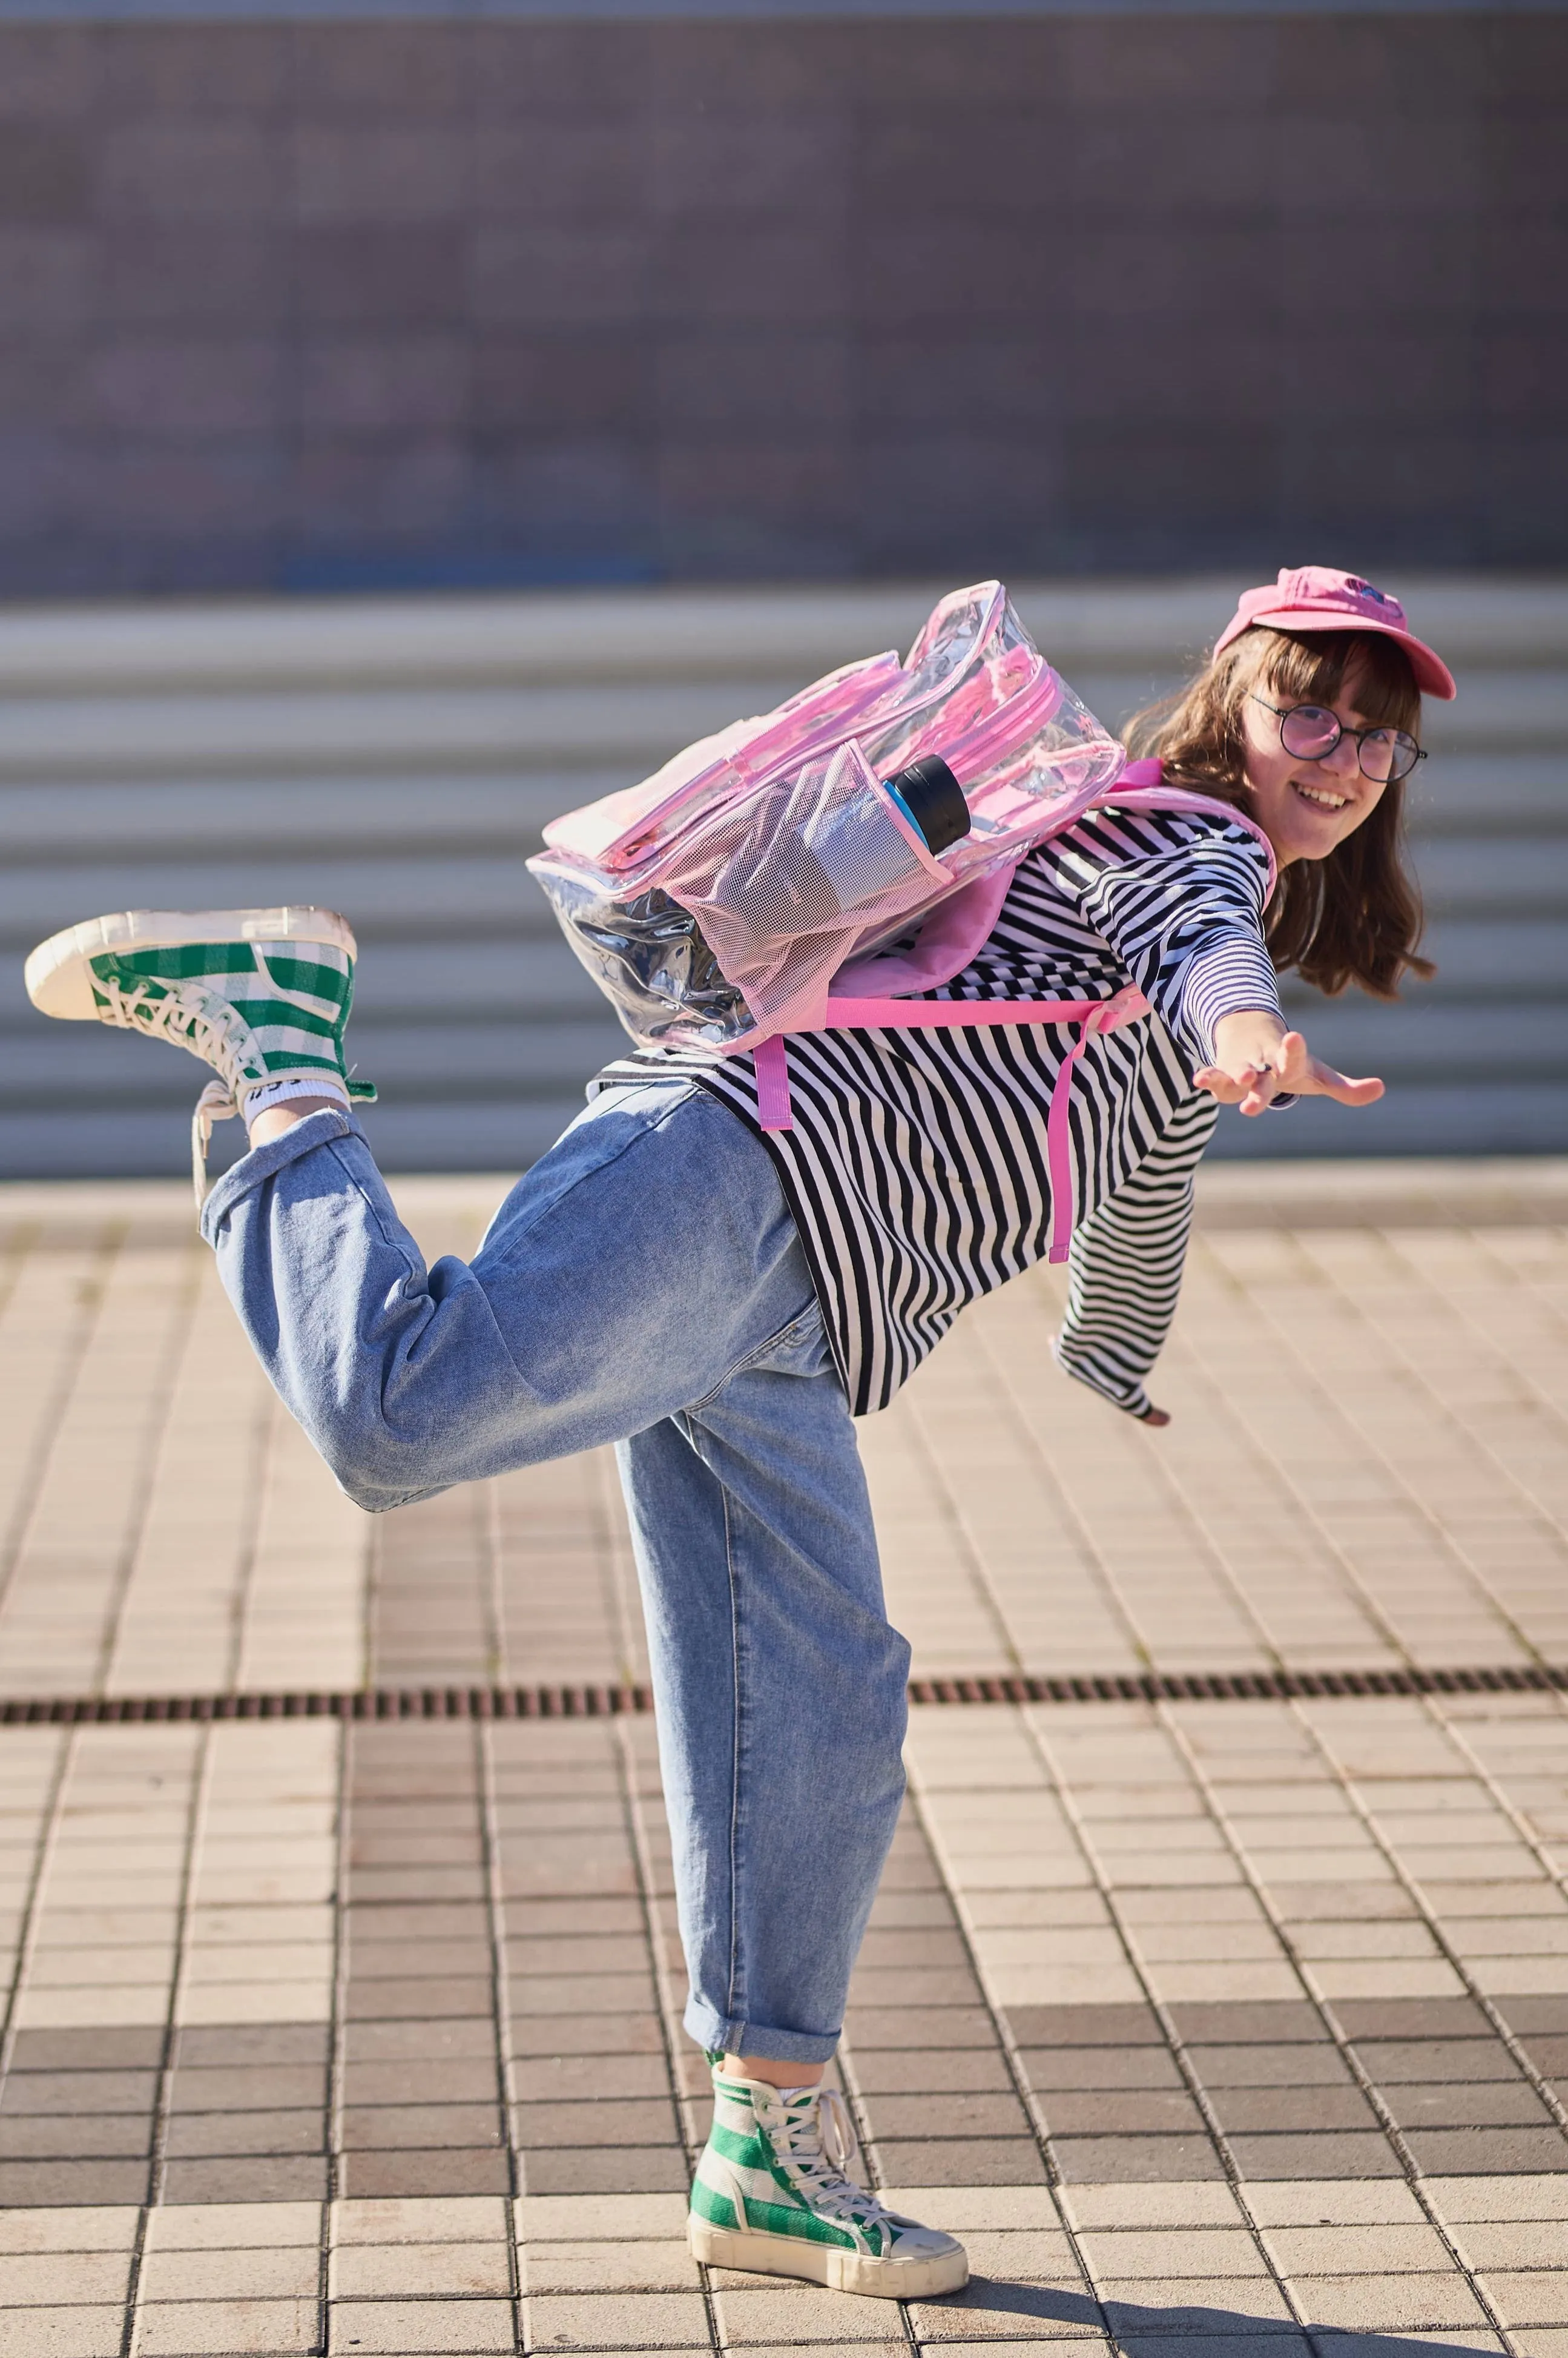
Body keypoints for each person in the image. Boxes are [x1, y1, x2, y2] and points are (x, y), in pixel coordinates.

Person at [24, 566, 1452, 2299]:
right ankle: (277, 1054)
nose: (1341, 752)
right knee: (399, 1416)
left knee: (819, 1687)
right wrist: (1245, 1029)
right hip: (740, 1170)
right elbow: (1207, 954)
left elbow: (1134, 1173)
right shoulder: (1181, 843)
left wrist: (1115, 1348)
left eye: (1376, 736)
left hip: (803, 1311)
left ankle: (766, 2151)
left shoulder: (1165, 867)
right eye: (1310, 706)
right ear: (1232, 693)